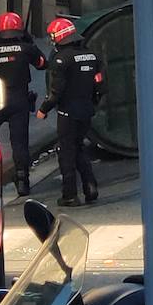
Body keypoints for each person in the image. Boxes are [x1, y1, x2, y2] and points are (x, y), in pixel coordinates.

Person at [37, 17, 105, 207]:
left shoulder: (60, 60)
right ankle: (90, 187)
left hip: (67, 112)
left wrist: (43, 109)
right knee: (80, 148)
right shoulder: (93, 56)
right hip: (86, 110)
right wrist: (93, 102)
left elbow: (56, 91)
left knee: (66, 152)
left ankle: (69, 194)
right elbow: (100, 84)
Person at [0, 12, 46, 197]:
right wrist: (29, 43)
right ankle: (22, 181)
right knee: (19, 143)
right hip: (19, 99)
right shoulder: (26, 48)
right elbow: (43, 64)